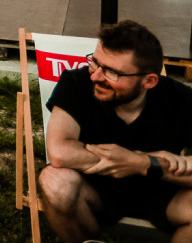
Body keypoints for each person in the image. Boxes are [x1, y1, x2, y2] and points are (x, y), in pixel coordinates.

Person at [38, 20, 192, 242]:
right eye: (95, 62)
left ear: (149, 81)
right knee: (54, 181)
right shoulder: (77, 82)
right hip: (95, 188)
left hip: (161, 191)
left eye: (112, 72)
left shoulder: (180, 100)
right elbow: (60, 151)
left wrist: (142, 163)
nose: (96, 76)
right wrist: (139, 160)